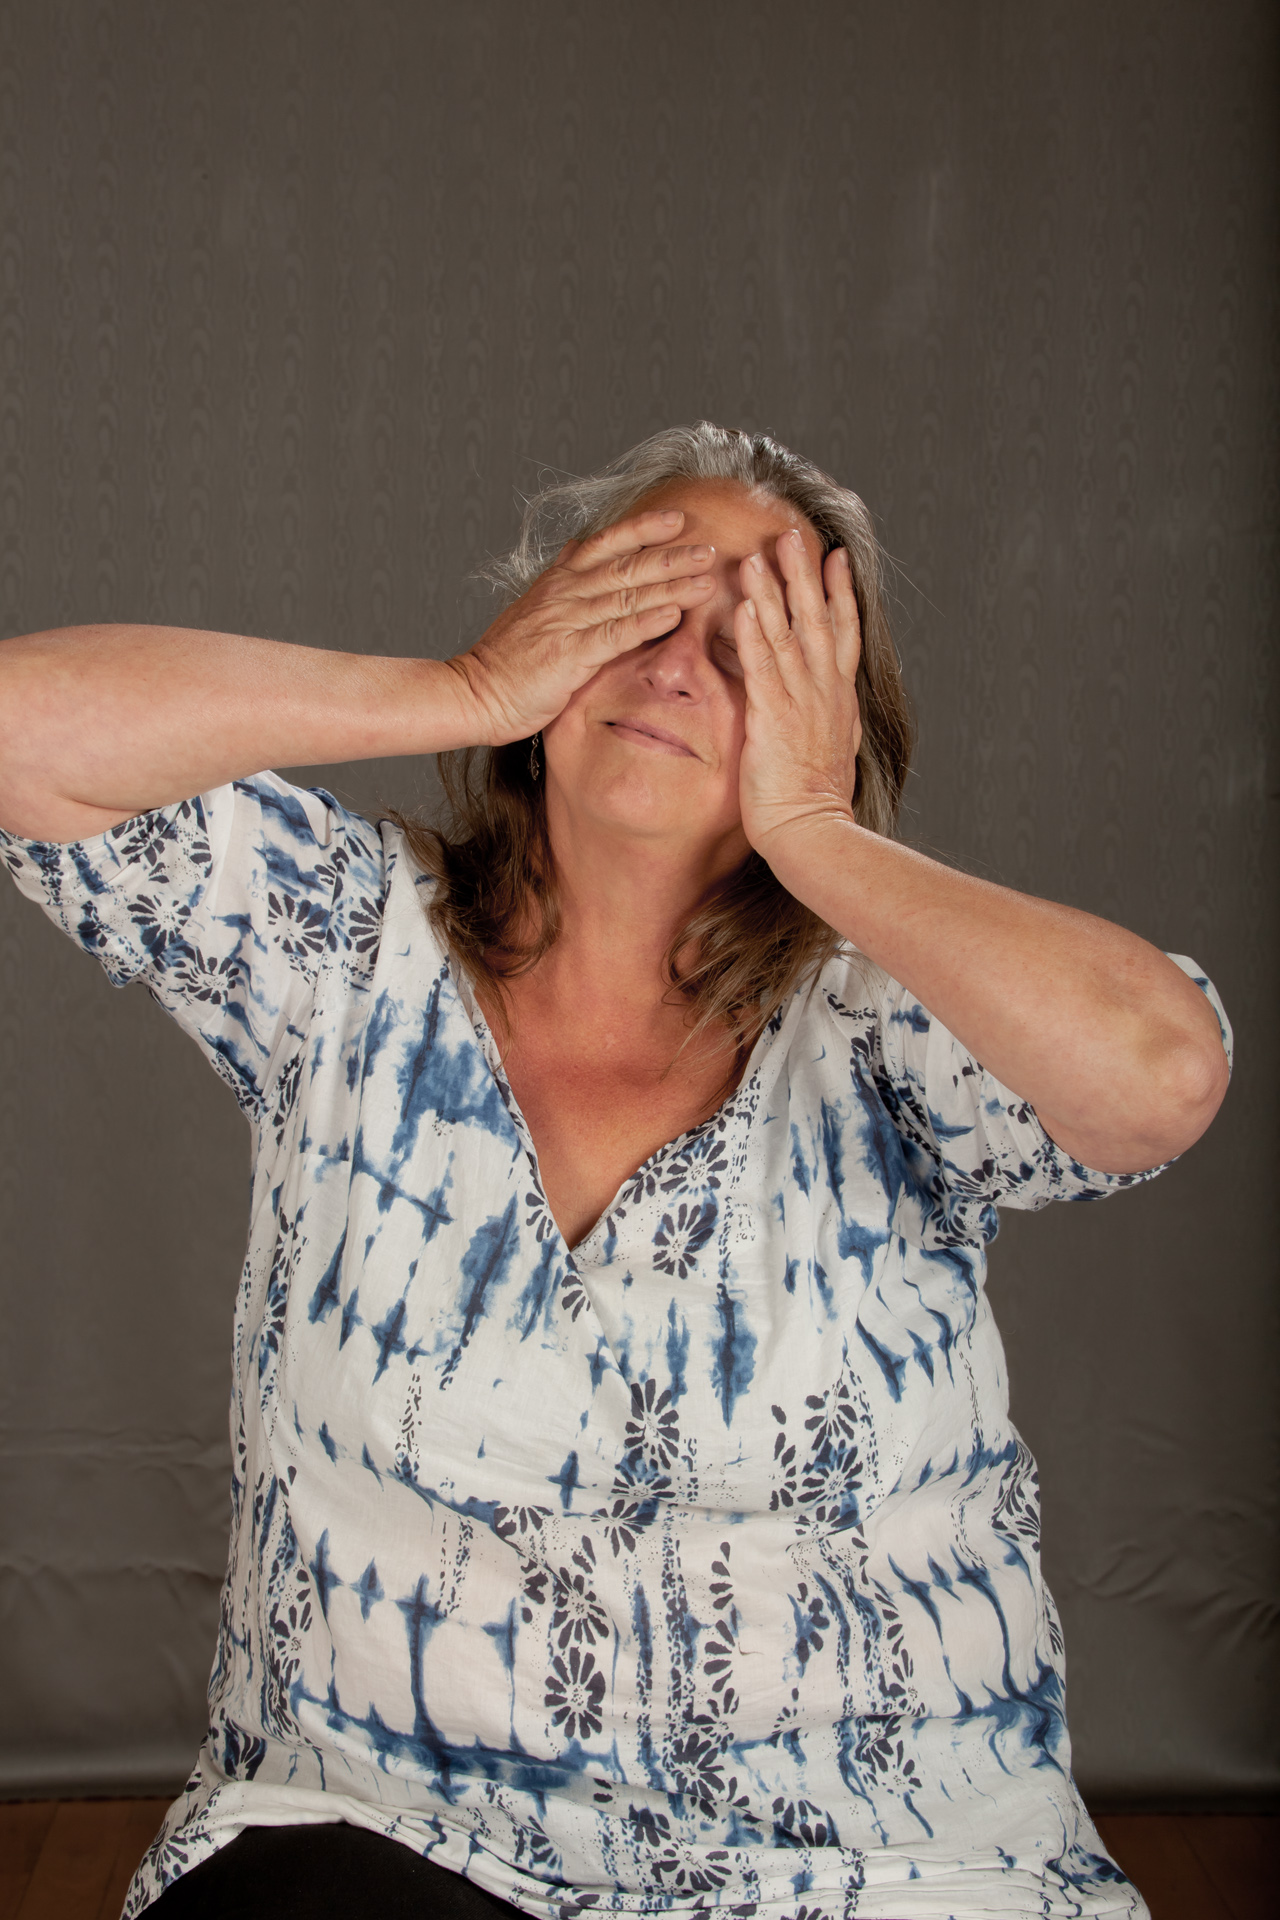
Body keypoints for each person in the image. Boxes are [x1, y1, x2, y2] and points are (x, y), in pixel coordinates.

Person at [0, 422, 1229, 1920]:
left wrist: (814, 832)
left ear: (829, 722)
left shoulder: (893, 1019)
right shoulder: (342, 949)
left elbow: (1161, 1075)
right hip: (399, 1837)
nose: (673, 669)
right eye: (638, 611)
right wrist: (458, 688)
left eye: (750, 648)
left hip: (881, 1866)